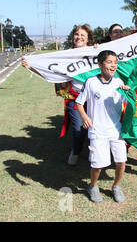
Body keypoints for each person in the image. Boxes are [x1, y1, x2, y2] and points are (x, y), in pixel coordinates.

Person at [22, 24, 94, 165]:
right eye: (76, 34)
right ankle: (76, 151)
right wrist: (30, 66)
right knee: (79, 128)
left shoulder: (94, 52)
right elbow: (50, 72)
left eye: (82, 35)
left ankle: (95, 154)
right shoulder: (65, 56)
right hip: (75, 98)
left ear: (88, 39)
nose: (79, 37)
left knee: (97, 128)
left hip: (94, 99)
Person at [76, 50, 130, 203]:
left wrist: (128, 93)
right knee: (98, 165)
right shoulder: (91, 82)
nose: (113, 65)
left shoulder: (119, 83)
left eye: (115, 62)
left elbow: (128, 104)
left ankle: (116, 186)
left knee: (121, 162)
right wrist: (85, 117)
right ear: (100, 64)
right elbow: (79, 103)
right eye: (109, 62)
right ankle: (93, 186)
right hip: (97, 130)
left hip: (115, 129)